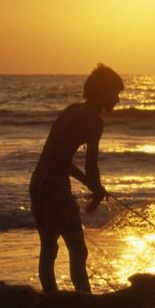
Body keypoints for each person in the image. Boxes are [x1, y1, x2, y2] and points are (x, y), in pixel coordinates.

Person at [30, 64, 123, 293]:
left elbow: (59, 158)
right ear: (102, 92)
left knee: (49, 248)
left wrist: (92, 186)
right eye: (115, 93)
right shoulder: (94, 121)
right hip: (54, 186)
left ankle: (51, 301)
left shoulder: (72, 110)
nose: (117, 100)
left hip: (38, 182)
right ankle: (85, 304)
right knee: (78, 250)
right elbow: (91, 163)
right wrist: (96, 186)